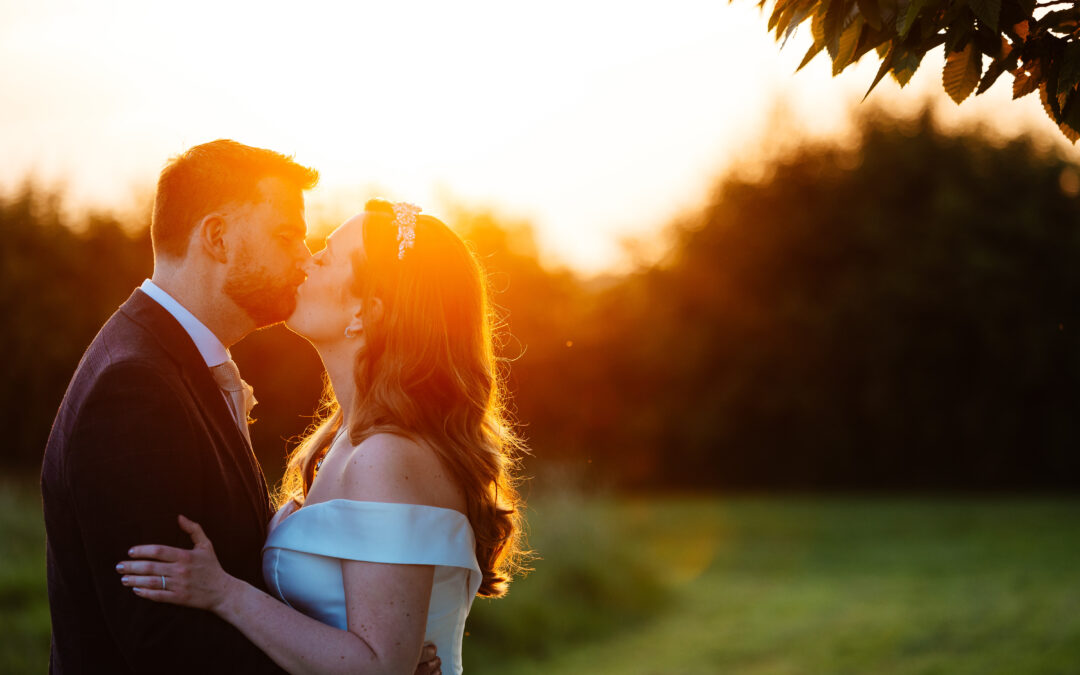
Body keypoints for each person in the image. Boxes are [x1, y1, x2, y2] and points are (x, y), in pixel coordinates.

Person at [41, 142, 440, 674]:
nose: (303, 257)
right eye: (285, 236)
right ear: (217, 238)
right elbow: (166, 642)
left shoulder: (169, 364)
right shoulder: (134, 388)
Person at [113, 199, 527, 675]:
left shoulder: (386, 456)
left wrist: (223, 593)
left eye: (325, 257)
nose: (303, 261)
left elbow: (378, 667)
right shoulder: (345, 440)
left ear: (365, 313)